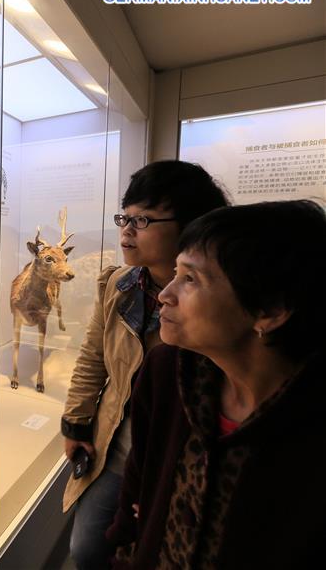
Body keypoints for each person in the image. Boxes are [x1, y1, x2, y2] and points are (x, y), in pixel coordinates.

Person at [106, 199, 326, 569]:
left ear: (270, 309)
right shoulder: (166, 371)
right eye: (175, 274)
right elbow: (139, 480)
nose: (165, 294)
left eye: (190, 279)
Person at [61, 160, 229, 570]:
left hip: (180, 458)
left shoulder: (216, 302)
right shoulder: (118, 285)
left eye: (143, 219)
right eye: (125, 217)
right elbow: (93, 357)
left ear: (190, 225)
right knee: (87, 549)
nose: (127, 230)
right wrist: (77, 423)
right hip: (118, 448)